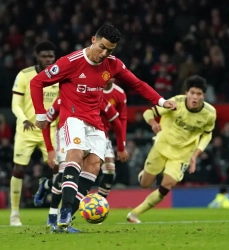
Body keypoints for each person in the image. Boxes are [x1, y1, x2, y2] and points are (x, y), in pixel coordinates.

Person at [30, 23, 176, 230]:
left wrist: (161, 101)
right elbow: (37, 82)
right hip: (72, 118)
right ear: (93, 40)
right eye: (102, 47)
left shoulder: (113, 64)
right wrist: (41, 114)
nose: (104, 53)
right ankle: (64, 210)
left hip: (95, 122)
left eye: (110, 50)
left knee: (94, 166)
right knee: (76, 155)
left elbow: (137, 84)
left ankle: (66, 219)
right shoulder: (70, 62)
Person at [127, 75, 216, 223]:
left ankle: (134, 213)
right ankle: (145, 174)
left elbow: (207, 135)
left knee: (167, 185)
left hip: (182, 155)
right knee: (145, 184)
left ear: (203, 96)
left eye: (198, 94)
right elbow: (148, 112)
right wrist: (153, 123)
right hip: (161, 146)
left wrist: (195, 155)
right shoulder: (175, 102)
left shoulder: (209, 114)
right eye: (192, 93)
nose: (195, 97)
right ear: (186, 93)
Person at [35, 96, 126, 232]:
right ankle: (52, 217)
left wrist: (121, 146)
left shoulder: (98, 98)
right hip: (66, 134)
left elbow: (116, 120)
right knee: (64, 172)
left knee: (84, 175)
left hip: (93, 136)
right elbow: (47, 121)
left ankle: (60, 209)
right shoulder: (63, 99)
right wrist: (49, 149)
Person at [10, 41, 58, 226]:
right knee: (19, 169)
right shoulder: (24, 75)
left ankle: (54, 212)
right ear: (36, 56)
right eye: (44, 56)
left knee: (58, 171)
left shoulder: (59, 76)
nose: (48, 59)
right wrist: (24, 119)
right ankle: (14, 214)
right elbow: (15, 104)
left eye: (51, 56)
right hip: (27, 130)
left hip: (51, 130)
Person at [98, 78, 127, 198]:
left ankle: (98, 204)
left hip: (103, 136)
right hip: (83, 135)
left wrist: (122, 146)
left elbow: (122, 119)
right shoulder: (92, 88)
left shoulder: (119, 94)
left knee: (109, 172)